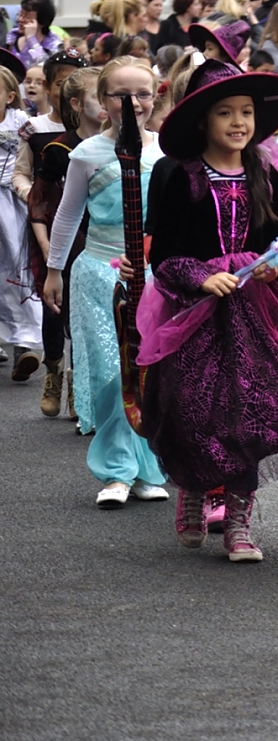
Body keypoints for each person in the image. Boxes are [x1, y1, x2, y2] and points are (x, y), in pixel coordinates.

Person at [136, 59, 278, 561]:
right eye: (225, 112)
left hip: (255, 311)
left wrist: (274, 264)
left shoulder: (265, 172)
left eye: (246, 112)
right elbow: (163, 254)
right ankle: (191, 490)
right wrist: (201, 277)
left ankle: (238, 520)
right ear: (202, 121)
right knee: (191, 406)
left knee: (250, 411)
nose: (238, 122)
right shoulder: (179, 175)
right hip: (193, 312)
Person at [43, 56, 171, 506]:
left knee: (150, 373)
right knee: (113, 372)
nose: (132, 103)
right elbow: (67, 215)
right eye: (120, 94)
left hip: (155, 278)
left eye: (142, 93)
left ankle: (149, 467)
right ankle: (117, 471)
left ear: (155, 97)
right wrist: (54, 269)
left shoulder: (168, 152)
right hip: (99, 274)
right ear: (102, 101)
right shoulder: (87, 154)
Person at [27, 65, 101, 418]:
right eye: (98, 96)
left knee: (89, 319)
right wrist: (46, 246)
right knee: (56, 310)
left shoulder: (123, 145)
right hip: (65, 239)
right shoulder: (60, 149)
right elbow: (40, 200)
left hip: (102, 241)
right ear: (76, 103)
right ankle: (54, 372)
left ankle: (79, 385)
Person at [13, 49, 86, 401]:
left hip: (87, 231)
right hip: (47, 223)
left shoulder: (93, 134)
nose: (67, 92)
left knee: (82, 308)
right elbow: (22, 174)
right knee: (53, 303)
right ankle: (54, 370)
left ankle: (77, 382)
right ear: (48, 86)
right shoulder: (37, 131)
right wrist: (35, 197)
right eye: (60, 84)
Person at [0, 56, 40, 381]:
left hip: (13, 203)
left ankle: (23, 345)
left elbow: (33, 158)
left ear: (10, 96)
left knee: (18, 267)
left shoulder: (22, 122)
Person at [7, 0, 62, 69]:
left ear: (42, 21)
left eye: (27, 17)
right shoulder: (11, 38)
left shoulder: (53, 46)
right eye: (20, 14)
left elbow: (47, 68)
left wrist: (31, 39)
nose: (20, 19)